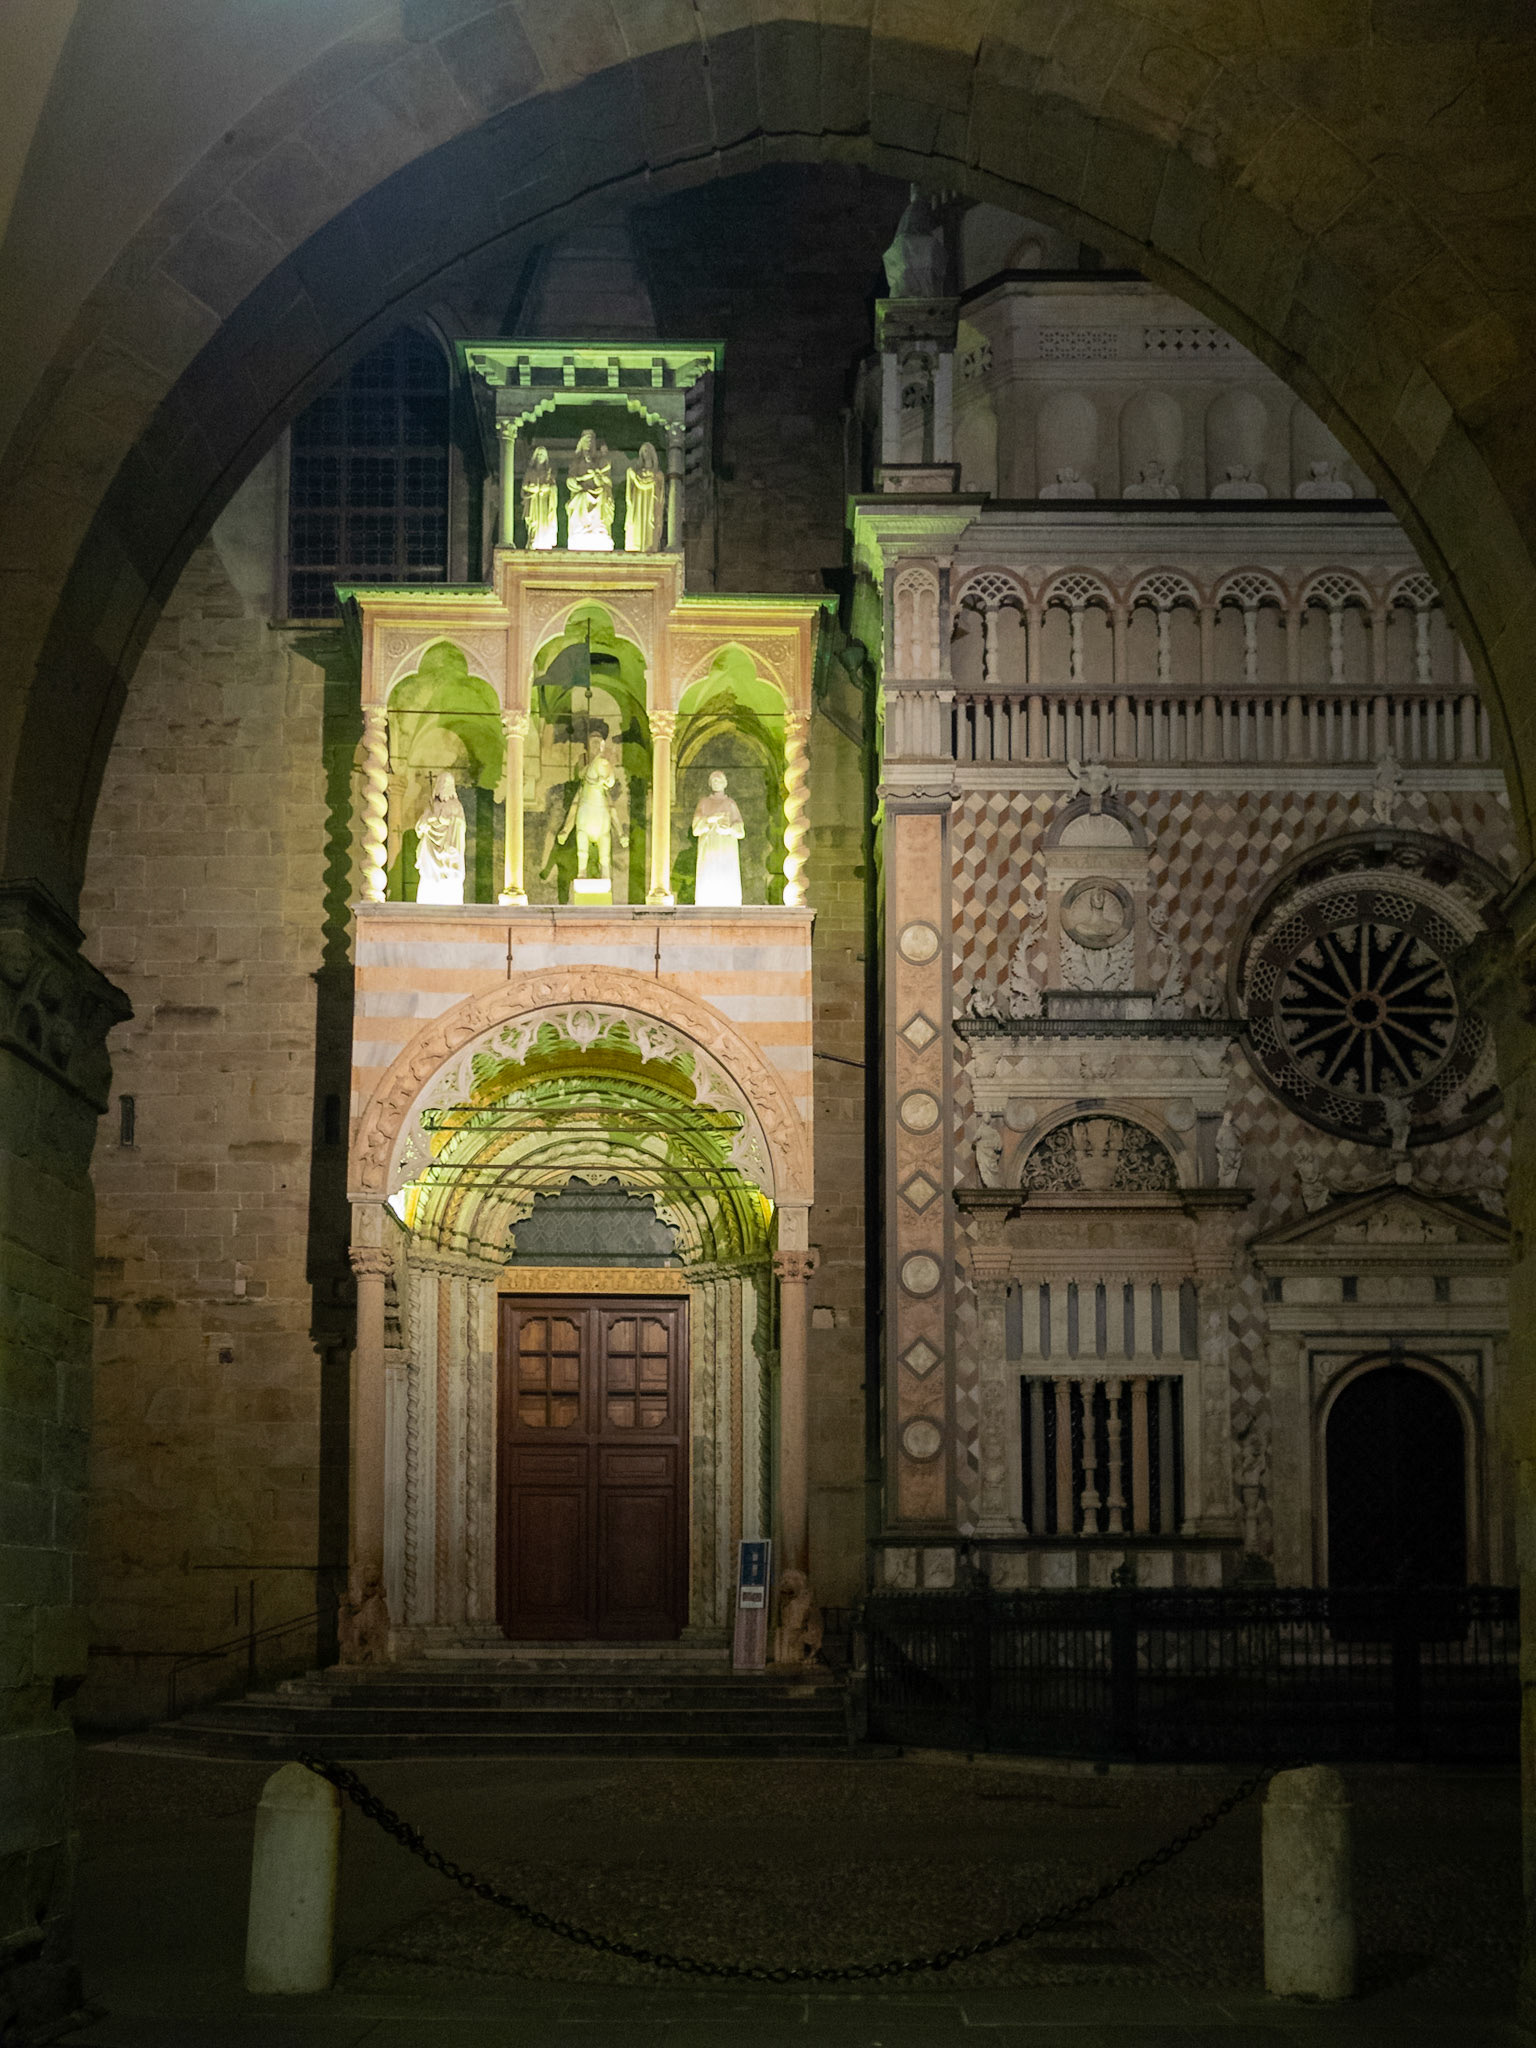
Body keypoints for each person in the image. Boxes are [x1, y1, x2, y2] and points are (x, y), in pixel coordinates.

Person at [691, 770, 746, 905]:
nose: (716, 783)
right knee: (708, 875)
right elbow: (696, 829)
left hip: (726, 850)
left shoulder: (730, 804)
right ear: (710, 784)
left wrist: (729, 830)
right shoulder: (704, 803)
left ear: (725, 783)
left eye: (719, 780)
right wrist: (710, 819)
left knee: (725, 875)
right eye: (714, 780)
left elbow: (740, 830)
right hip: (709, 849)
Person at [413, 772, 465, 904]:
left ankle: (448, 879)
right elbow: (421, 823)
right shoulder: (432, 805)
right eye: (442, 783)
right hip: (431, 844)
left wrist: (447, 821)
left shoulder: (456, 806)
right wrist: (427, 822)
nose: (443, 786)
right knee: (428, 869)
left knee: (451, 874)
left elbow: (460, 824)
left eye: (447, 784)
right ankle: (430, 885)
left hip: (448, 843)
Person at [566, 429, 615, 549]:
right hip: (581, 491)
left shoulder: (599, 461)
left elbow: (606, 481)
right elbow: (571, 479)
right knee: (582, 497)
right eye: (586, 441)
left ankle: (599, 529)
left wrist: (597, 476)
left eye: (591, 442)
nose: (589, 444)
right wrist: (581, 480)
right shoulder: (576, 462)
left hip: (597, 490)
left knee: (602, 496)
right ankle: (581, 529)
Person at [624, 442, 663, 551]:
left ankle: (650, 544)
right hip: (639, 500)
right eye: (644, 451)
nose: (646, 453)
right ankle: (635, 544)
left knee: (650, 525)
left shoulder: (657, 474)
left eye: (648, 451)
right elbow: (630, 491)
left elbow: (660, 494)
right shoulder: (636, 473)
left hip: (650, 501)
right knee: (637, 522)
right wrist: (633, 477)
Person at [521, 445, 558, 549]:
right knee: (534, 521)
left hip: (544, 501)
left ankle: (545, 540)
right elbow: (524, 486)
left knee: (545, 521)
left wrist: (547, 488)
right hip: (533, 500)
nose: (540, 456)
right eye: (539, 454)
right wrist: (533, 488)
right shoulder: (530, 471)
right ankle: (533, 539)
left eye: (542, 454)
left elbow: (553, 486)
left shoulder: (548, 472)